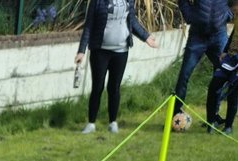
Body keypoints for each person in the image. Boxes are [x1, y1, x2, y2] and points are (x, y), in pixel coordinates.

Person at [75, 0, 159, 133]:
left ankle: (112, 123)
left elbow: (132, 21)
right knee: (98, 86)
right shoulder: (97, 2)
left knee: (114, 87)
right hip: (100, 51)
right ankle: (91, 123)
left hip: (121, 51)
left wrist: (146, 37)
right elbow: (89, 26)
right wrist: (81, 51)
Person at [173, 0, 233, 114]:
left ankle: (213, 116)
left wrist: (228, 15)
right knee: (184, 75)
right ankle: (175, 113)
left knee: (223, 74)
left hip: (219, 35)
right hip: (197, 37)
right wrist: (190, 16)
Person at [205, 33, 238, 131]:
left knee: (233, 93)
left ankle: (228, 126)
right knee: (213, 87)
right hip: (230, 58)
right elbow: (234, 34)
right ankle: (211, 122)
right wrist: (225, 51)